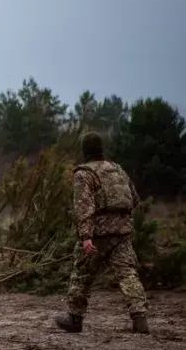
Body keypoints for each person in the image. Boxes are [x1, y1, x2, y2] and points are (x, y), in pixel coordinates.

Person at [55, 131, 150, 334]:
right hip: (121, 234)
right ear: (101, 149)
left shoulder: (84, 174)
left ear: (85, 150)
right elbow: (134, 199)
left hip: (97, 236)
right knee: (128, 275)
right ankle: (140, 319)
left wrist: (86, 237)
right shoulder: (118, 170)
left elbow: (83, 207)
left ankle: (74, 319)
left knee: (81, 276)